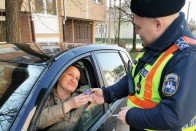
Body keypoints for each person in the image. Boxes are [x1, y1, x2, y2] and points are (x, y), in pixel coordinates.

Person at [90, 0, 196, 130]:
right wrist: (107, 94)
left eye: (138, 27)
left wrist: (131, 116)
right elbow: (135, 78)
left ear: (157, 24)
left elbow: (173, 115)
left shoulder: (186, 56)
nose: (136, 32)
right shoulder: (156, 44)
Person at [37, 64, 90, 130]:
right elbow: (36, 122)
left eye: (77, 78)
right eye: (70, 74)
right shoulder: (43, 96)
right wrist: (69, 105)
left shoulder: (82, 99)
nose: (73, 80)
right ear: (59, 76)